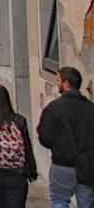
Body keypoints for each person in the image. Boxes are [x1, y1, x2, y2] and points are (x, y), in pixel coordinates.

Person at [37, 66, 94, 208]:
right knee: (87, 204)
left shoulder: (53, 108)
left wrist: (59, 146)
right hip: (87, 166)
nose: (57, 83)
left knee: (59, 201)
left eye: (58, 80)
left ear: (66, 83)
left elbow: (44, 137)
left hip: (62, 164)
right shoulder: (91, 108)